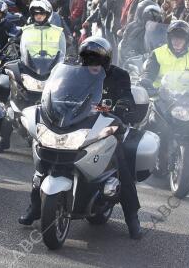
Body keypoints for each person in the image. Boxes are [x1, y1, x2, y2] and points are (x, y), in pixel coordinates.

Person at [19, 37, 144, 239]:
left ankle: (132, 217)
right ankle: (35, 206)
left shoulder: (119, 76)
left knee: (121, 165)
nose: (93, 64)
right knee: (44, 163)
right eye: (88, 59)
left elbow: (126, 97)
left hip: (105, 126)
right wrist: (52, 102)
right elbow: (59, 89)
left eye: (98, 60)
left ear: (106, 61)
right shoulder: (74, 73)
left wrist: (122, 105)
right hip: (76, 123)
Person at [0, 0, 66, 153]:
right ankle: (3, 140)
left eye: (42, 14)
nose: (39, 16)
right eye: (36, 14)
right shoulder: (25, 30)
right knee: (10, 107)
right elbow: (14, 43)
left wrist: (69, 60)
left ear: (48, 14)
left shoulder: (57, 32)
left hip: (50, 71)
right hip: (30, 69)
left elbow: (65, 50)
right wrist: (6, 54)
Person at [141, 20, 189, 188]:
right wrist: (147, 81)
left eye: (181, 38)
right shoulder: (158, 54)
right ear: (169, 38)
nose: (178, 41)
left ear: (187, 39)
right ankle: (143, 160)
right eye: (175, 38)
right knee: (149, 124)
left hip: (188, 100)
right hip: (162, 98)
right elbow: (148, 73)